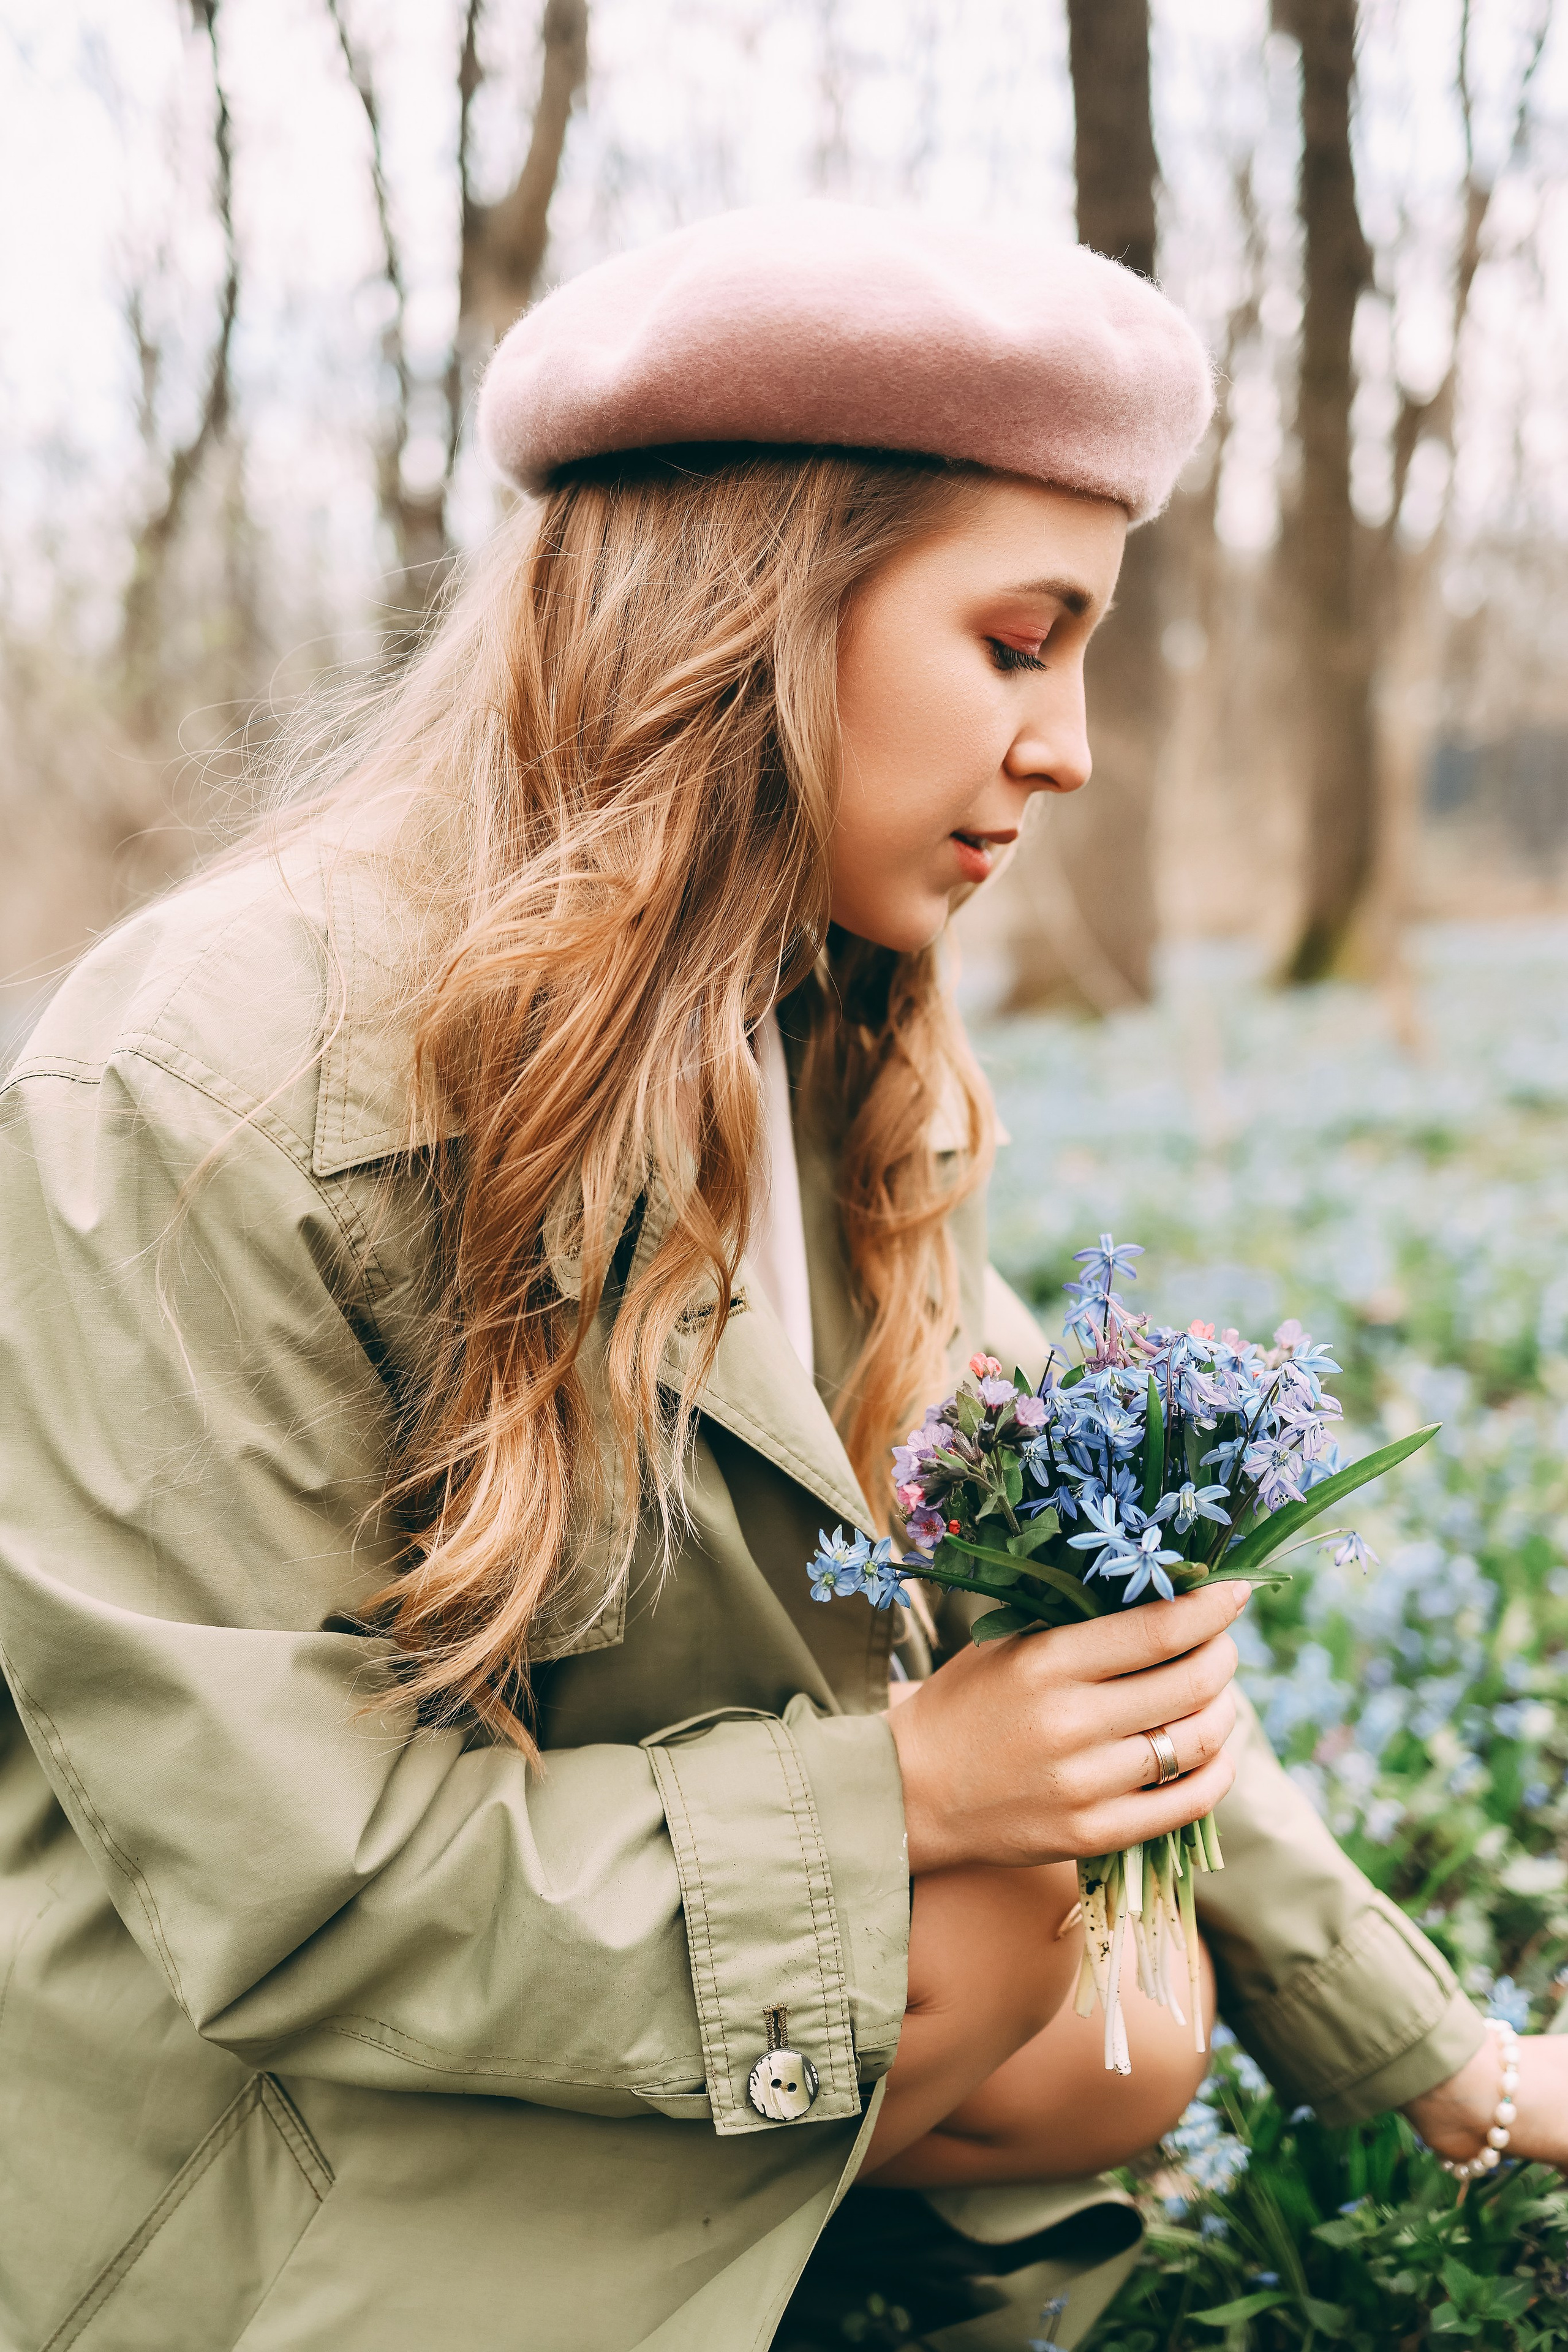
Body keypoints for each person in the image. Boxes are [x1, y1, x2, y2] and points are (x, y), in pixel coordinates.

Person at [0, 203, 1562, 2352]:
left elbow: (1092, 1623)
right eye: (1019, 644)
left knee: (1119, 2017)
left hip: (574, 1970)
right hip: (233, 2128)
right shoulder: (194, 1081)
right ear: (751, 616)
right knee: (983, 1939)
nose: (1072, 747)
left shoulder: (818, 1023)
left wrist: (1442, 2065)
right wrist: (908, 1790)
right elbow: (293, 1896)